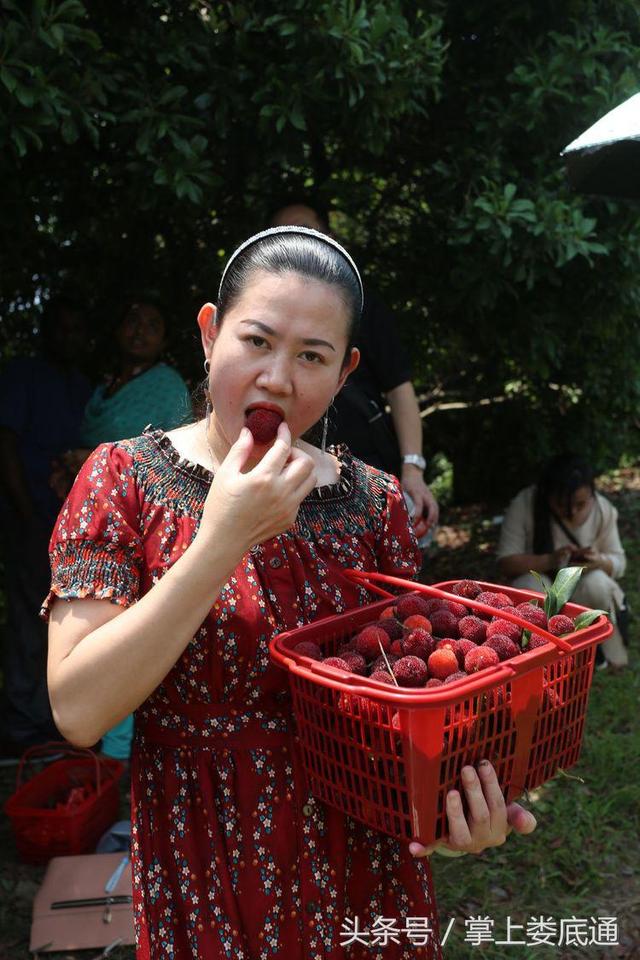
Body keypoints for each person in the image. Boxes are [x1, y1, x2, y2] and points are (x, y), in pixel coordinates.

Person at [44, 228, 536, 959]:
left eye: (312, 356)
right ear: (210, 335)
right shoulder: (124, 480)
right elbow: (79, 710)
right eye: (257, 341)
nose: (278, 377)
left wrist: (453, 806)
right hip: (202, 864)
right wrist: (222, 540)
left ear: (345, 374)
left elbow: (407, 704)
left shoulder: (375, 505)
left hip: (362, 872)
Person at [54, 297, 193, 763]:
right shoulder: (104, 387)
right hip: (99, 528)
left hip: (149, 524)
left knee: (134, 630)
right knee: (94, 633)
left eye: (152, 323)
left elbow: (171, 459)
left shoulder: (167, 386)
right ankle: (109, 754)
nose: (140, 330)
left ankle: (125, 754)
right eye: (132, 319)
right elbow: (103, 450)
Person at [270, 203, 439, 541]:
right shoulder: (260, 306)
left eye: (308, 230)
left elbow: (399, 388)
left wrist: (413, 468)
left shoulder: (362, 308)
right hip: (283, 479)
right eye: (286, 235)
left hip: (365, 471)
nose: (299, 241)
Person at [0, 296, 93, 756]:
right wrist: (23, 511)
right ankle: (21, 729)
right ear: (47, 330)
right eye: (63, 327)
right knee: (25, 620)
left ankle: (55, 723)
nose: (69, 336)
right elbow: (6, 443)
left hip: (73, 528)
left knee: (66, 622)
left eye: (78, 329)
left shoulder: (84, 385)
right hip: (30, 518)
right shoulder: (24, 376)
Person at [496, 454, 629, 668]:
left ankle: (595, 647)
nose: (571, 512)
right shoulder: (525, 504)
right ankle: (538, 654)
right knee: (529, 587)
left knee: (598, 584)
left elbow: (619, 562)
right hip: (542, 587)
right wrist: (551, 560)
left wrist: (598, 561)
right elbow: (506, 563)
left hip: (583, 592)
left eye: (580, 504)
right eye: (561, 504)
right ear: (547, 494)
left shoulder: (602, 510)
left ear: (592, 496)